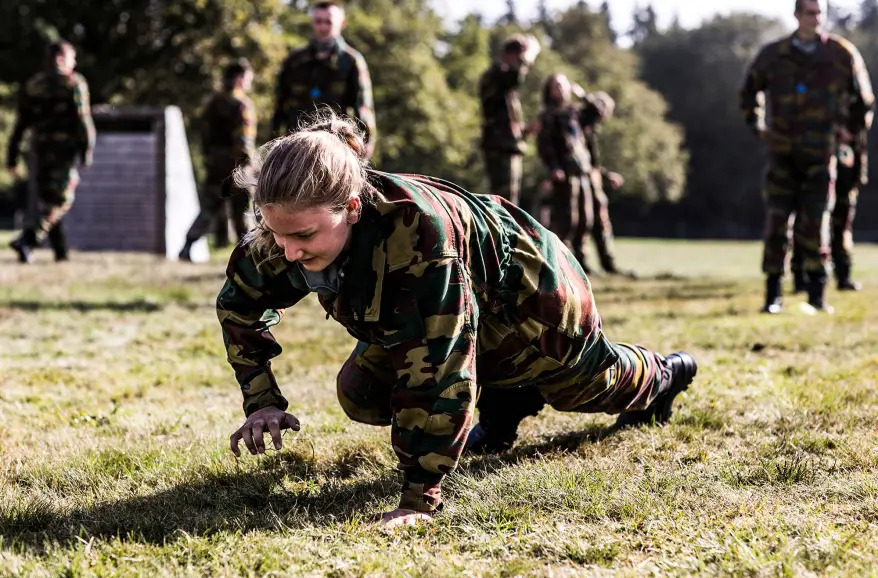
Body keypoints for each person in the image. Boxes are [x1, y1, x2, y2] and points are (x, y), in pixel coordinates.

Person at [218, 113, 697, 528]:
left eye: (303, 236)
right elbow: (239, 306)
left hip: (529, 294)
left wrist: (418, 499)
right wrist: (261, 402)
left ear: (352, 208)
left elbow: (440, 370)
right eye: (276, 232)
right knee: (361, 393)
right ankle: (508, 398)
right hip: (457, 305)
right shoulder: (284, 227)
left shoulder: (420, 240)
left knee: (586, 389)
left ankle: (665, 373)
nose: (288, 251)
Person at [739, 0, 874, 314]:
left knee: (817, 223)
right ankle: (773, 294)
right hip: (783, 153)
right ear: (797, 15)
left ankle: (817, 293)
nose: (816, 19)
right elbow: (747, 92)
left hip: (821, 154)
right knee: (777, 222)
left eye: (820, 13)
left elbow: (864, 101)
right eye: (810, 13)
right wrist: (757, 126)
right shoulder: (773, 56)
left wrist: (849, 133)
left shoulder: (841, 54)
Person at [7, 39, 95, 263]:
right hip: (64, 151)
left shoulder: (33, 85)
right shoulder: (73, 83)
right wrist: (87, 149)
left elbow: (21, 123)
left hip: (38, 149)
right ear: (61, 59)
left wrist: (12, 155)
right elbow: (83, 120)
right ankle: (28, 239)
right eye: (71, 59)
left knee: (48, 198)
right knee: (61, 201)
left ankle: (60, 252)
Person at [271, 0, 376, 157]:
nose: (323, 27)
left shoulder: (351, 61)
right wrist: (274, 142)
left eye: (328, 22)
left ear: (342, 23)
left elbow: (363, 108)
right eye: (318, 21)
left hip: (336, 149)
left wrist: (365, 146)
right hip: (295, 145)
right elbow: (280, 104)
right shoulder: (295, 60)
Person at [179, 58, 257, 261]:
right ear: (240, 78)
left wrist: (209, 159)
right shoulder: (241, 105)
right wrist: (251, 164)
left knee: (208, 209)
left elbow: (203, 135)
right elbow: (243, 140)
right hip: (237, 167)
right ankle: (248, 256)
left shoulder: (212, 103)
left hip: (215, 165)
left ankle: (187, 246)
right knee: (243, 211)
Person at [790, 132, 869, 292]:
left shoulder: (854, 116)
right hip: (818, 166)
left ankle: (843, 275)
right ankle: (801, 276)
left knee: (842, 226)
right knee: (809, 222)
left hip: (845, 172)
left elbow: (859, 138)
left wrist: (860, 171)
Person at [536, 73, 596, 272]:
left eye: (562, 85)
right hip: (565, 174)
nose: (559, 89)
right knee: (567, 219)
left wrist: (584, 96)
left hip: (582, 172)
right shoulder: (547, 115)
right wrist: (554, 168)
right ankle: (560, 261)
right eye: (555, 85)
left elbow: (597, 112)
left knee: (585, 219)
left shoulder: (575, 112)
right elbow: (544, 145)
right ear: (549, 90)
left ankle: (581, 261)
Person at [478, 34, 541, 206]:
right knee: (504, 203)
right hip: (499, 147)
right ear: (513, 55)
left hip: (506, 146)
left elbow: (502, 116)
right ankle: (500, 234)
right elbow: (515, 77)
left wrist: (524, 130)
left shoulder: (502, 79)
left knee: (508, 201)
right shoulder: (496, 74)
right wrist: (530, 53)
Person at [579, 90, 635, 277]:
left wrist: (604, 174)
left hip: (592, 180)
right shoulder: (581, 122)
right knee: (584, 222)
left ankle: (607, 264)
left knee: (599, 223)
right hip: (582, 182)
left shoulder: (589, 128)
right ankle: (583, 264)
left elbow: (590, 161)